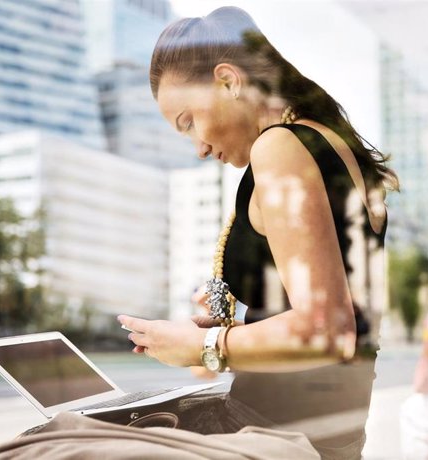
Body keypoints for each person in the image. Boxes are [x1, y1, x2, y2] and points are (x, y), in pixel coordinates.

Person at [116, 7, 398, 459]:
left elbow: (329, 331)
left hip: (272, 437)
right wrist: (242, 323)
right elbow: (346, 319)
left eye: (189, 122)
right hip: (320, 435)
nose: (200, 148)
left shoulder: (280, 147)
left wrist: (205, 346)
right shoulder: (328, 145)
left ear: (228, 81)